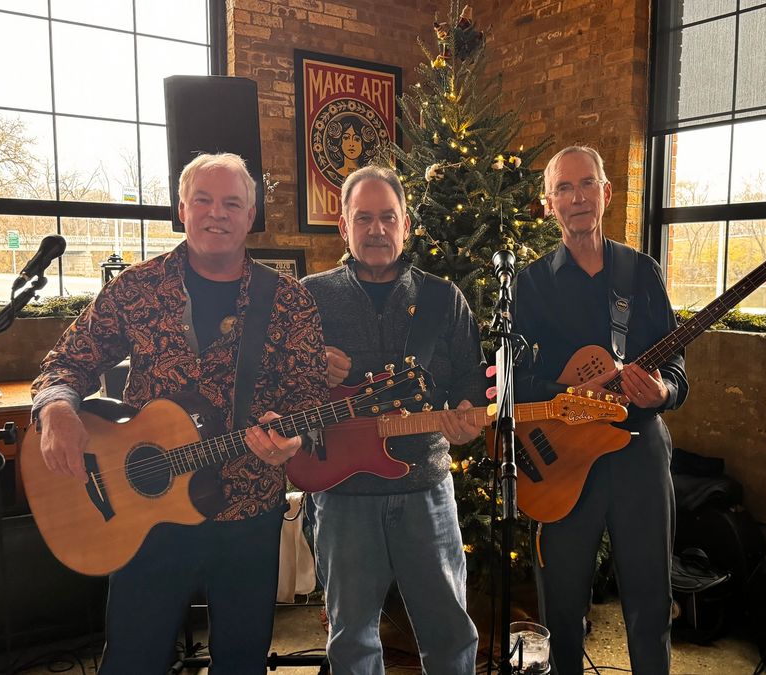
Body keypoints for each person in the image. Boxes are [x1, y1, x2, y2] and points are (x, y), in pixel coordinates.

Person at [31, 152, 328, 673]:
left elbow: (308, 395)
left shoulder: (287, 301)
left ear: (251, 215)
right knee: (133, 659)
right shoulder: (137, 288)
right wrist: (56, 406)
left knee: (241, 661)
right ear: (182, 210)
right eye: (204, 201)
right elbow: (68, 360)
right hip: (144, 515)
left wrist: (293, 439)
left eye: (232, 203)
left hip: (248, 509)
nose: (218, 213)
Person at [300, 164, 484, 674]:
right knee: (352, 642)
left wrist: (467, 418)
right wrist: (311, 370)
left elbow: (471, 379)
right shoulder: (308, 299)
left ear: (406, 224)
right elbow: (276, 391)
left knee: (449, 635)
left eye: (388, 217)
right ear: (344, 226)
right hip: (341, 497)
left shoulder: (443, 299)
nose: (376, 229)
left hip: (426, 489)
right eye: (364, 218)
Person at [512, 146, 689, 674]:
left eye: (587, 184)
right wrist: (565, 396)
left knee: (650, 599)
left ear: (606, 193)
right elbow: (510, 380)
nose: (577, 198)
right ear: (549, 204)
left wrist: (663, 393)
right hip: (562, 462)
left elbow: (675, 360)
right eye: (564, 188)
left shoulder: (641, 273)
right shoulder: (530, 284)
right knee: (562, 606)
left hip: (638, 453)